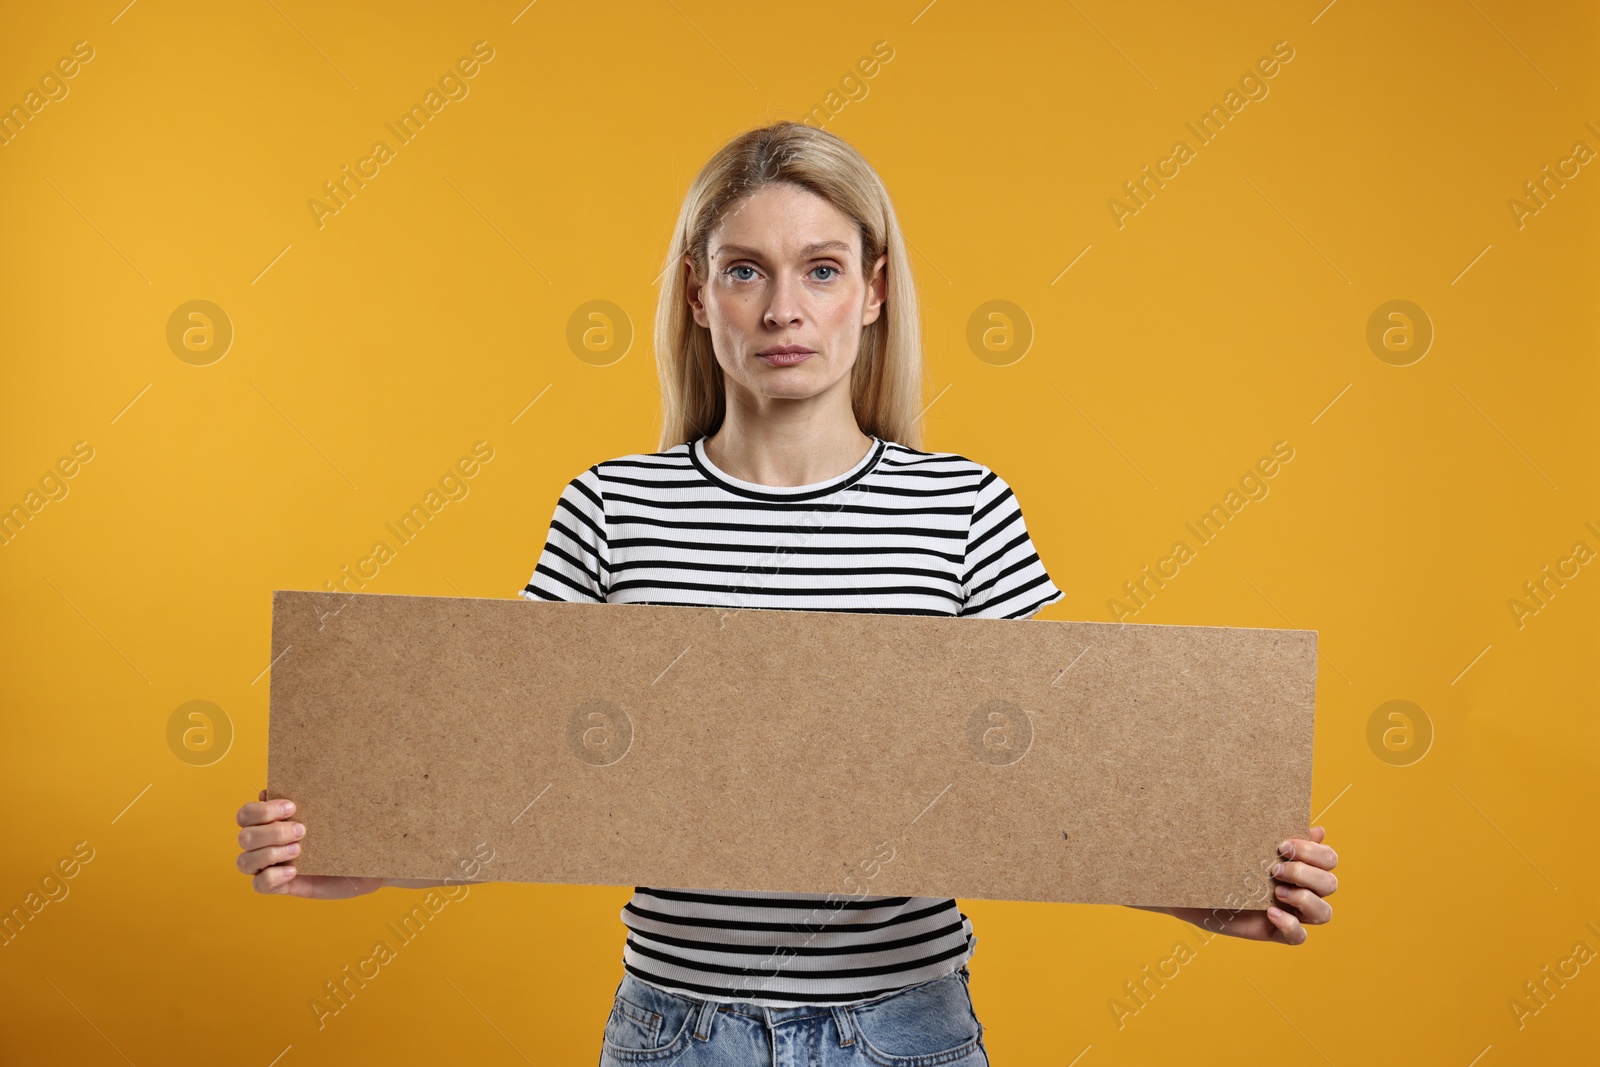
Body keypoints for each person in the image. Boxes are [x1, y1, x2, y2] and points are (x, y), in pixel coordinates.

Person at [235, 120, 1339, 1064]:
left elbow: (1054, 775)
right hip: (677, 1031)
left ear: (871, 292)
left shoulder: (960, 509)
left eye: (819, 268)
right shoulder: (613, 507)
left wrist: (1205, 881)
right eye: (744, 269)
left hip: (903, 1030)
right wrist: (355, 849)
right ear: (698, 293)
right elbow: (508, 769)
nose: (781, 307)